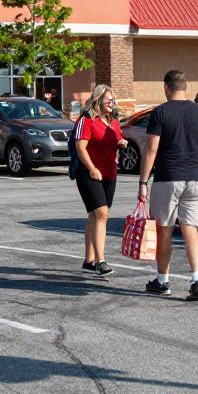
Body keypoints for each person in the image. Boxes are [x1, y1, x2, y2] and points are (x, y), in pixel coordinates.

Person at [139, 70, 198, 301]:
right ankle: (197, 278)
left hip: (168, 177)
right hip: (195, 178)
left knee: (165, 230)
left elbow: (151, 150)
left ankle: (162, 282)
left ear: (166, 87)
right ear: (185, 87)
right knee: (191, 228)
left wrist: (143, 182)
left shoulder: (160, 113)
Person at [73, 85, 128, 276]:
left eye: (114, 101)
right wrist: (91, 168)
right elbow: (80, 146)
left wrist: (121, 142)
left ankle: (88, 261)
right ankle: (100, 261)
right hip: (88, 173)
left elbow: (118, 138)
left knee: (94, 216)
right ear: (98, 101)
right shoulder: (87, 120)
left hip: (109, 174)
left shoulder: (113, 122)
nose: (112, 104)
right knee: (102, 214)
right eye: (109, 101)